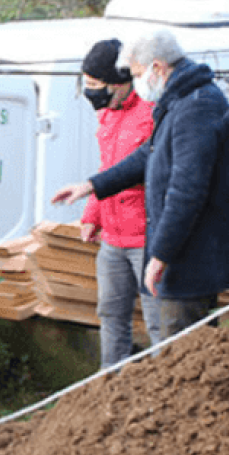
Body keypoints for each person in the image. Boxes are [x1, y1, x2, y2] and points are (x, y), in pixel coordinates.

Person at [51, 28, 229, 335]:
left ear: (157, 67)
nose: (137, 83)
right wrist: (92, 186)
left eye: (137, 74)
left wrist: (161, 254)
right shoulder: (178, 100)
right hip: (181, 253)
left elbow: (186, 190)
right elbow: (147, 154)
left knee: (177, 345)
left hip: (192, 256)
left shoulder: (196, 105)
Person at [75, 39, 162, 367]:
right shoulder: (108, 116)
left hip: (144, 236)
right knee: (110, 314)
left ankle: (163, 390)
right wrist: (92, 212)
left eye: (96, 85)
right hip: (112, 236)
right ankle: (109, 383)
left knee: (156, 319)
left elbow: (155, 169)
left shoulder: (152, 112)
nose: (91, 93)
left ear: (119, 81)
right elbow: (106, 169)